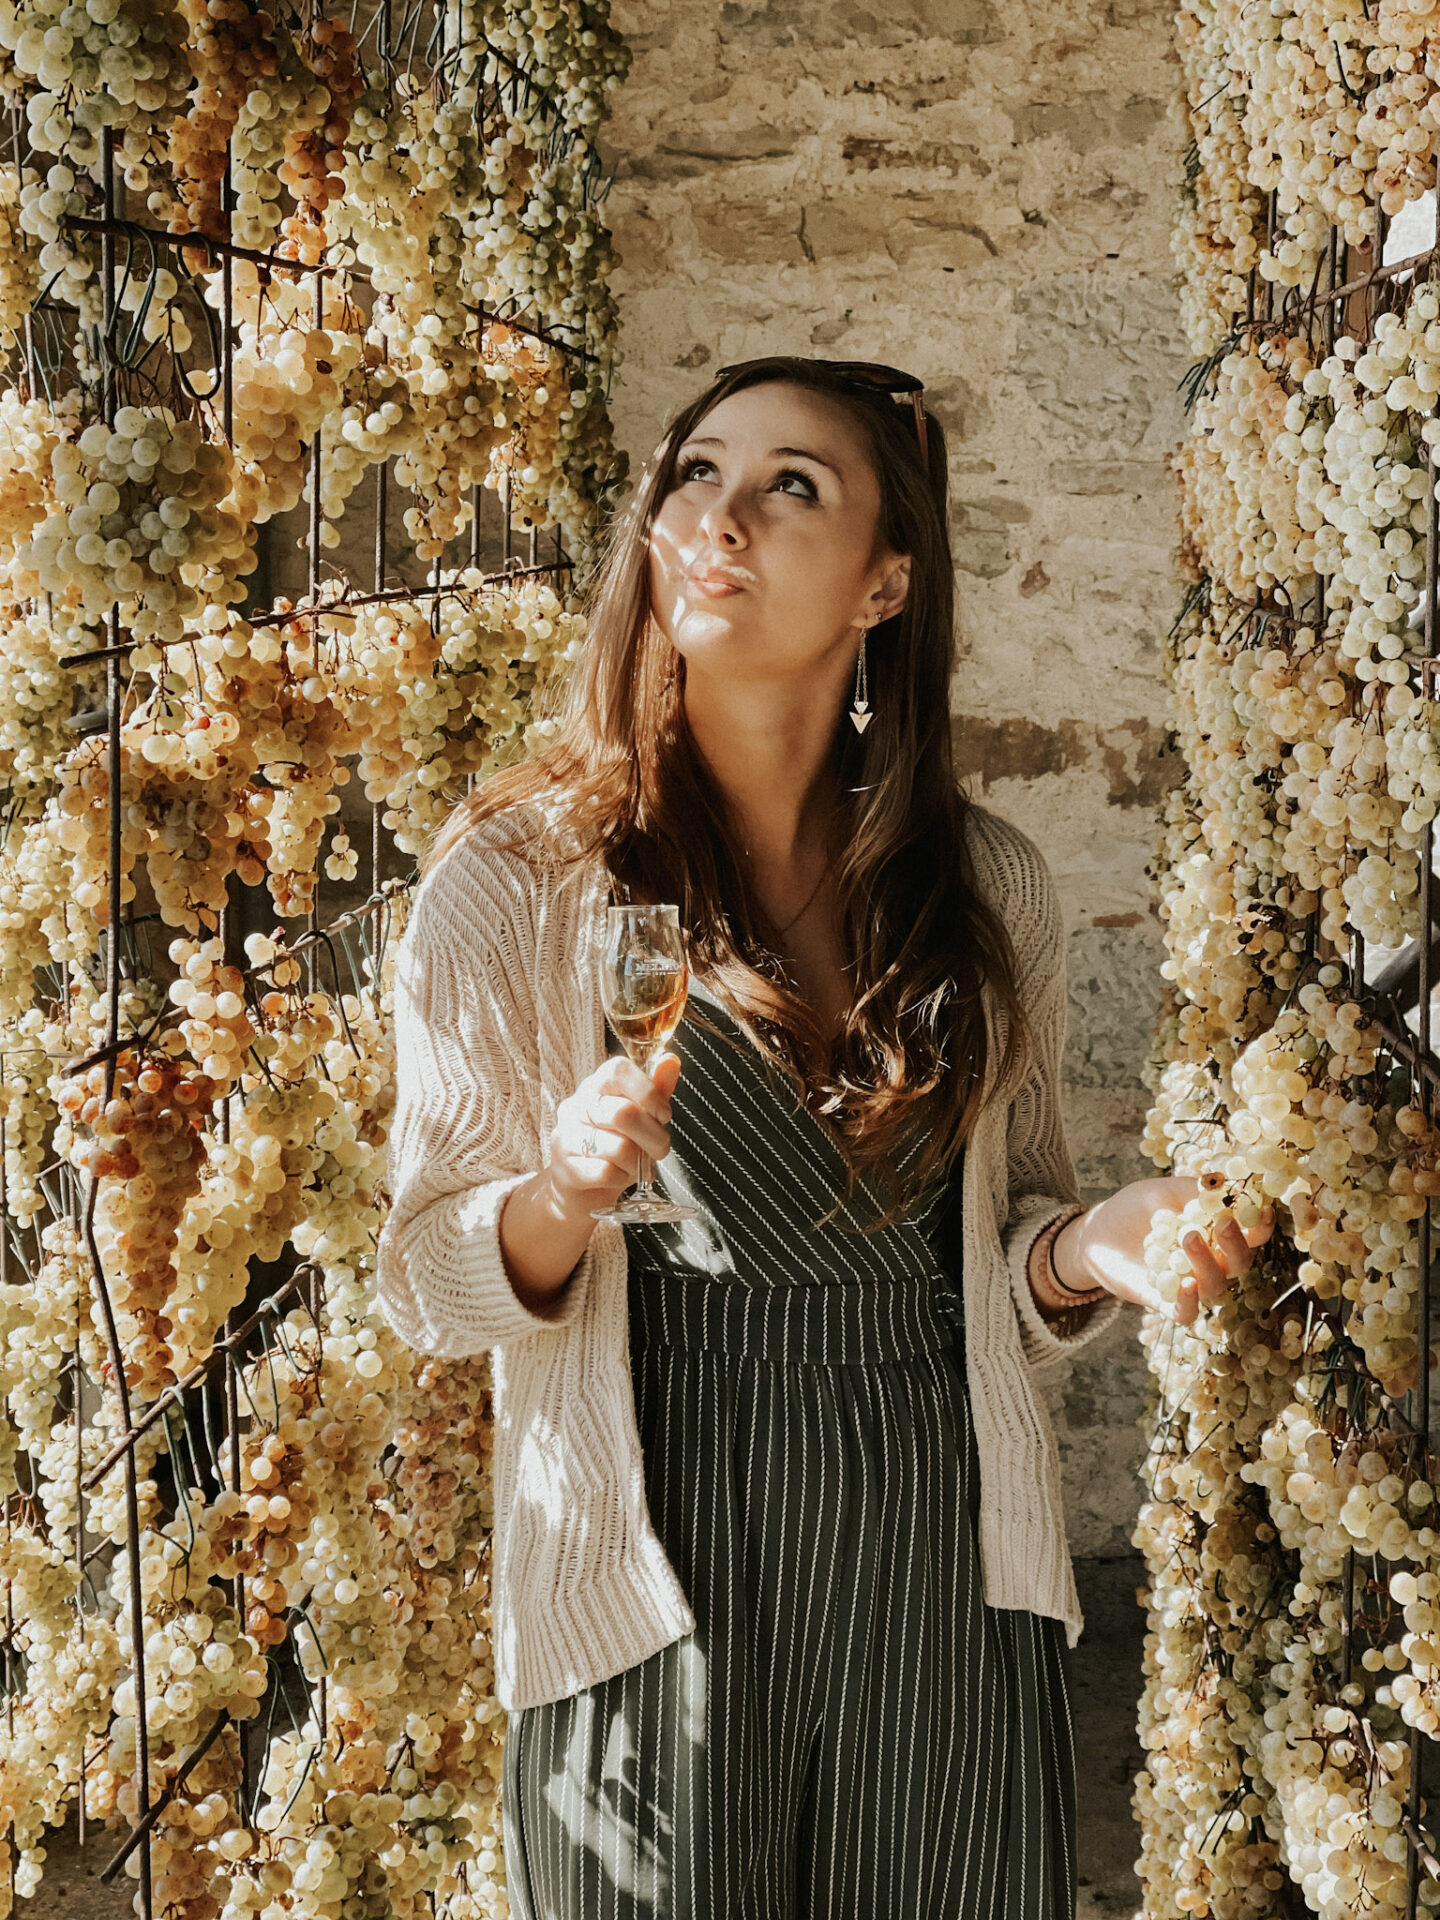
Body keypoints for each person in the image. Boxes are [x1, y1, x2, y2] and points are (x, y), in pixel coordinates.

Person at [375, 355, 1276, 1919]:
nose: (722, 516)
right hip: (655, 1591)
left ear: (887, 584)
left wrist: (1084, 1252)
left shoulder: (986, 888)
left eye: (793, 486)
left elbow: (1004, 1267)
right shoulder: (516, 882)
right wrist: (557, 1195)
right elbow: (423, 1278)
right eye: (697, 475)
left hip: (937, 1578)